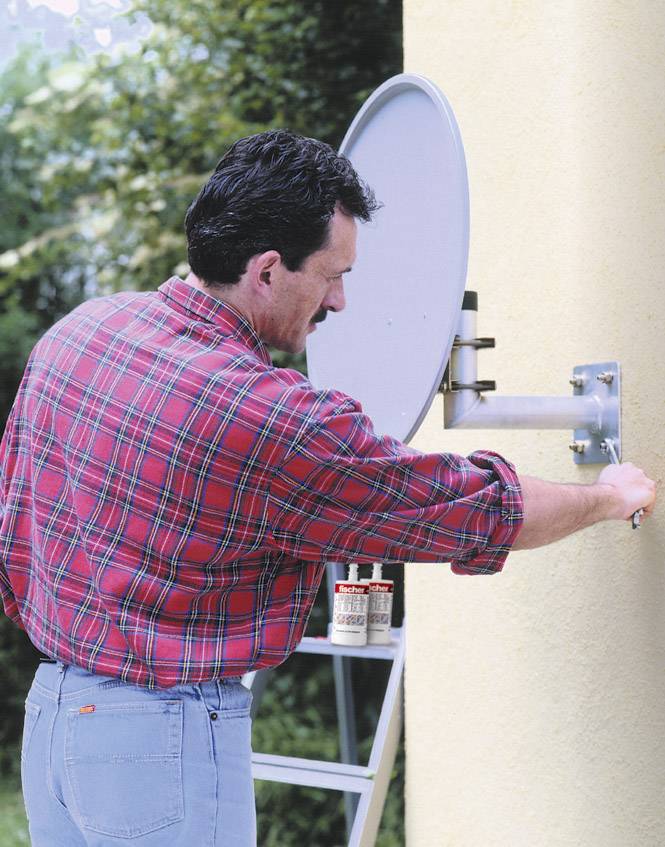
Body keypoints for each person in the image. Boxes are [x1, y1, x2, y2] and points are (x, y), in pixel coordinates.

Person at [0, 129, 656, 846]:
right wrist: (608, 495)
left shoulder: (80, 333)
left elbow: (15, 524)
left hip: (56, 717)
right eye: (332, 273)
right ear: (269, 271)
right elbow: (467, 508)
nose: (340, 301)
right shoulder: (269, 416)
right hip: (160, 739)